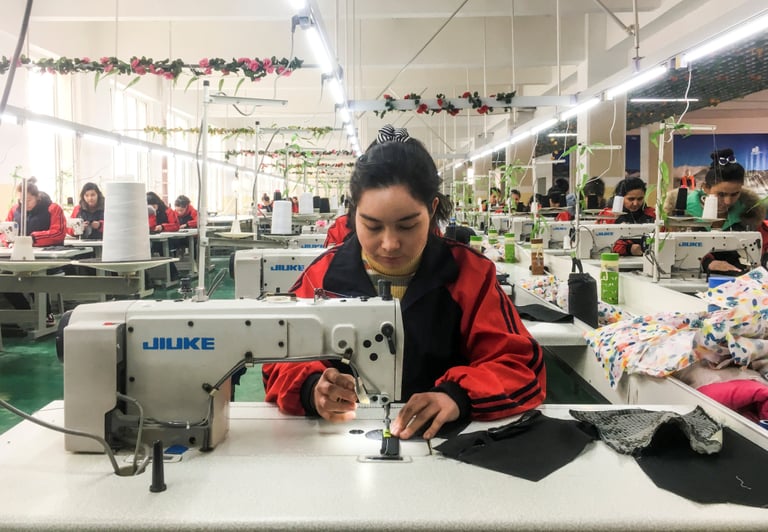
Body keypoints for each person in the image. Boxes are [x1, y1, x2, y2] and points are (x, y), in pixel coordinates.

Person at [263, 125, 546, 441]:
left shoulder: (470, 275)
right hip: (340, 436)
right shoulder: (322, 276)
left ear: (432, 209)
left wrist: (456, 396)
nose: (389, 244)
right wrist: (312, 387)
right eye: (372, 226)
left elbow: (519, 365)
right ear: (353, 213)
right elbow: (278, 356)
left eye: (407, 226)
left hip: (444, 441)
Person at [664, 148, 766, 274]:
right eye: (721, 194)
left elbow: (762, 247)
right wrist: (706, 262)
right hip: (688, 276)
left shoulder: (749, 213)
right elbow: (668, 251)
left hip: (737, 277)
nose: (728, 201)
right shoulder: (681, 212)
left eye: (735, 194)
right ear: (705, 188)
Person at [2, 178, 66, 325]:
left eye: (28, 200)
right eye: (21, 200)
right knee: (4, 278)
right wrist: (9, 240)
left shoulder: (53, 209)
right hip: (20, 258)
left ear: (37, 196)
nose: (25, 203)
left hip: (47, 259)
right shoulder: (14, 211)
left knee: (31, 274)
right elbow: (4, 231)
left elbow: (58, 233)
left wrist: (32, 239)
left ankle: (46, 313)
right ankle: (24, 311)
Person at [598, 177, 656, 256]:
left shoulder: (652, 214)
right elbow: (602, 242)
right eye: (631, 199)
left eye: (640, 199)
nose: (635, 203)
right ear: (620, 198)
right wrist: (628, 249)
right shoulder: (608, 216)